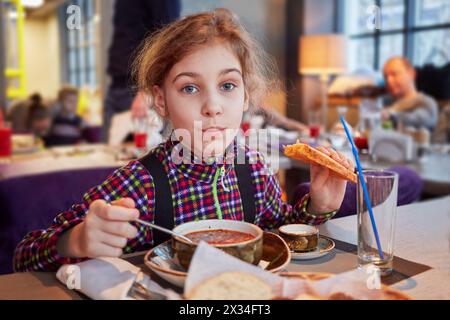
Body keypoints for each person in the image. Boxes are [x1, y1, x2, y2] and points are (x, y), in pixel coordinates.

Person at [14, 9, 353, 272]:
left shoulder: (254, 168)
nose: (212, 107)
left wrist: (318, 208)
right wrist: (76, 241)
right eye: (189, 88)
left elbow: (278, 242)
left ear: (247, 95)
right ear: (161, 101)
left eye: (228, 86)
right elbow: (24, 257)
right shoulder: (139, 184)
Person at [103, 0, 181, 142]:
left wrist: (147, 89)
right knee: (111, 158)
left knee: (138, 158)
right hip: (117, 86)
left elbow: (168, 39)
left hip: (139, 88)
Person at [381, 57, 438, 131]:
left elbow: (416, 121)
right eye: (385, 77)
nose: (388, 80)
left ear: (412, 74)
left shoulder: (426, 103)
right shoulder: (383, 100)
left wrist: (388, 117)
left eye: (394, 74)